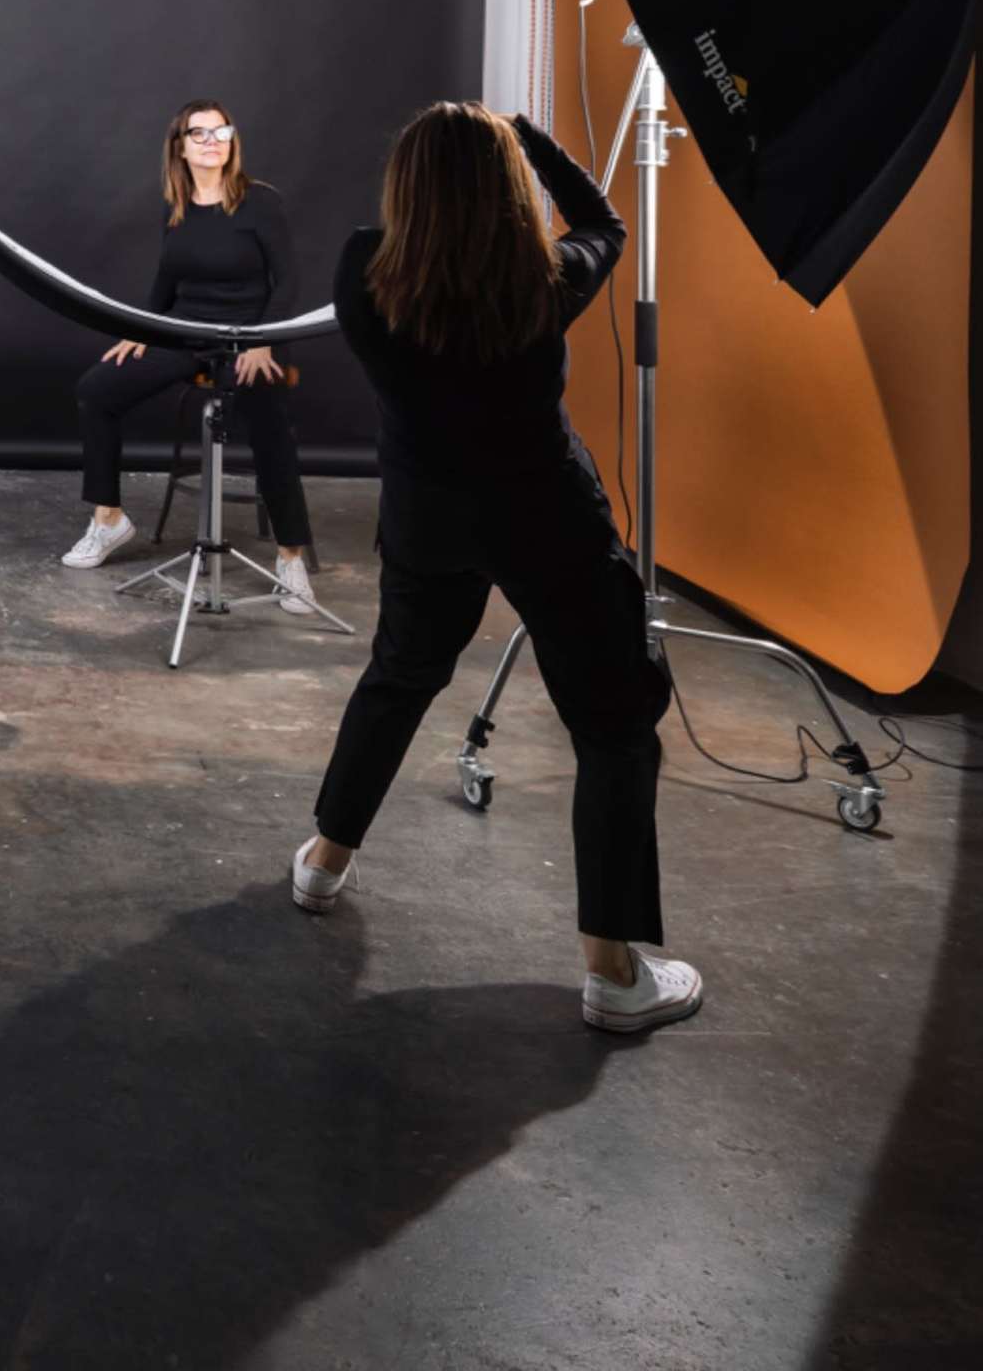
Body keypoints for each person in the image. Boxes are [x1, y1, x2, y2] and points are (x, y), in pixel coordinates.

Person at [292, 103, 700, 1035]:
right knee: (614, 726)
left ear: (405, 187)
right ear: (509, 187)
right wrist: (530, 138)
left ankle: (322, 863)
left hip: (427, 521)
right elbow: (604, 222)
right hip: (546, 522)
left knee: (399, 679)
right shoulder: (545, 278)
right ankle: (614, 974)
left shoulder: (364, 271)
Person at [59, 100, 326, 618]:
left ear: (232, 141)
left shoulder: (260, 202)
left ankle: (291, 559)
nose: (212, 141)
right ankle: (109, 519)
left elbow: (288, 280)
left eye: (221, 131)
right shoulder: (176, 206)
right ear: (179, 147)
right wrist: (140, 329)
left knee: (270, 428)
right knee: (96, 390)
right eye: (199, 133)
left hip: (249, 335)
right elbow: (166, 280)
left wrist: (262, 341)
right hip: (185, 331)